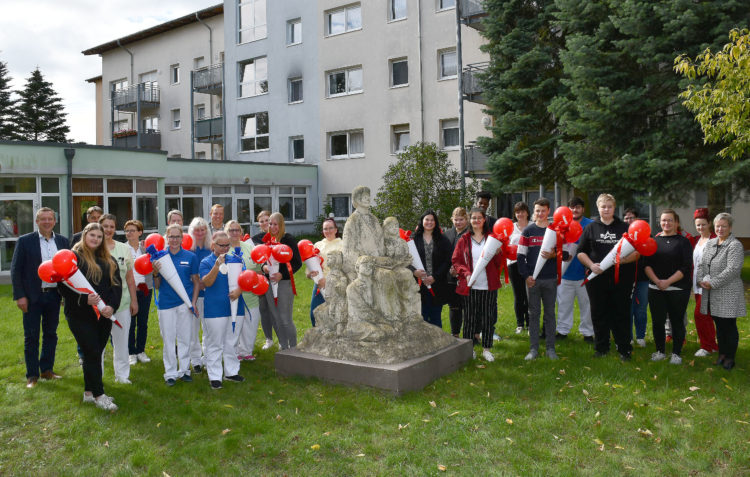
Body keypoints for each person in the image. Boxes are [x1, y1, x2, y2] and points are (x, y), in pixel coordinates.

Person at [57, 223, 121, 411]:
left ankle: (88, 393)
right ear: (84, 235)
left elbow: (116, 286)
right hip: (80, 314)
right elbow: (63, 287)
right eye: (92, 235)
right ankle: (100, 395)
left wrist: (111, 307)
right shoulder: (73, 257)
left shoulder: (108, 259)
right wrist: (85, 299)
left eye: (99, 237)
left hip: (104, 315)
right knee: (92, 351)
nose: (95, 239)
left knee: (94, 353)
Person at [11, 207, 70, 388]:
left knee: (51, 334)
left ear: (54, 221)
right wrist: (20, 296)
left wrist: (65, 295)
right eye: (43, 219)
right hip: (32, 297)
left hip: (54, 296)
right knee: (31, 336)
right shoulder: (25, 241)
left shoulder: (62, 241)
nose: (46, 222)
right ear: (37, 222)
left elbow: (67, 270)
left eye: (50, 219)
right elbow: (16, 270)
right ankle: (32, 375)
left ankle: (47, 370)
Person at [577, 193, 638, 361]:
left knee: (621, 313)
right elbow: (580, 252)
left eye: (609, 206)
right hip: (597, 279)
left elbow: (637, 253)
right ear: (598, 208)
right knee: (599, 313)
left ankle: (624, 349)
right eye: (603, 206)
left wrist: (624, 260)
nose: (606, 209)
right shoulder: (590, 228)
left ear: (614, 207)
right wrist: (591, 265)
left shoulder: (624, 227)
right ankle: (601, 347)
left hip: (621, 279)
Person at [451, 207, 504, 362]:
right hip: (471, 285)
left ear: (484, 220)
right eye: (473, 218)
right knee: (470, 318)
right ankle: (470, 349)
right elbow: (456, 261)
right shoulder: (464, 240)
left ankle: (487, 349)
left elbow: (498, 264)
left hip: (489, 285)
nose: (476, 221)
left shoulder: (492, 239)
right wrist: (466, 274)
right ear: (470, 220)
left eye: (479, 218)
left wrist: (498, 253)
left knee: (488, 318)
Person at [518, 198, 567, 361]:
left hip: (550, 279)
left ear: (549, 211)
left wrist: (554, 254)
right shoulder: (528, 231)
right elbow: (520, 256)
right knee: (533, 314)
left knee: (550, 315)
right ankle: (533, 349)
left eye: (543, 210)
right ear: (534, 212)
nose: (540, 213)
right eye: (537, 210)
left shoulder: (556, 232)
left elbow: (566, 255)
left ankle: (550, 349)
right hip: (533, 280)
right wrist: (526, 276)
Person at [697, 213, 745, 371]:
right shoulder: (711, 243)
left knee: (728, 326)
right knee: (719, 325)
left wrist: (712, 283)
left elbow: (732, 270)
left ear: (730, 228)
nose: (720, 229)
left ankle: (730, 358)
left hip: (728, 292)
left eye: (724, 226)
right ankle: (722, 355)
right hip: (712, 293)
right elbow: (702, 264)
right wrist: (700, 280)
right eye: (718, 226)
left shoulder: (735, 245)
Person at [644, 210, 693, 365]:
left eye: (670, 220)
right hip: (655, 288)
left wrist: (668, 282)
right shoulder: (653, 241)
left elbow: (685, 267)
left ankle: (676, 354)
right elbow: (646, 265)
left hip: (678, 289)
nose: (667, 223)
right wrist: (657, 281)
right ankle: (660, 351)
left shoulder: (683, 242)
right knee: (658, 321)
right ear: (660, 222)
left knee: (677, 321)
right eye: (664, 220)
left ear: (676, 223)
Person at [154, 224, 200, 386]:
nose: (174, 240)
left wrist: (193, 302)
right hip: (166, 304)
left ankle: (185, 370)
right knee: (168, 339)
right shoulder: (160, 258)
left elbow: (196, 282)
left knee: (185, 338)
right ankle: (171, 373)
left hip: (185, 304)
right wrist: (154, 272)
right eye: (171, 236)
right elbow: (157, 285)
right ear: (166, 238)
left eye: (177, 236)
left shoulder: (190, 256)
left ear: (182, 238)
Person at [199, 231, 245, 389]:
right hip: (215, 309)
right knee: (215, 344)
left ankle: (231, 372)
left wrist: (239, 290)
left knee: (232, 342)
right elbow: (207, 283)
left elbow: (245, 279)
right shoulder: (206, 261)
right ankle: (215, 376)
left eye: (227, 245)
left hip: (236, 308)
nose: (225, 248)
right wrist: (217, 265)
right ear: (213, 245)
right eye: (221, 245)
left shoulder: (237, 260)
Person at [100, 214, 138, 383]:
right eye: (105, 226)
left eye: (112, 226)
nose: (108, 230)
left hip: (122, 304)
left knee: (121, 342)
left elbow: (130, 278)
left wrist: (134, 300)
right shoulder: (92, 247)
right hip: (98, 306)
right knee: (97, 344)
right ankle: (96, 377)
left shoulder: (124, 249)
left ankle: (122, 375)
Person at [258, 213, 302, 350]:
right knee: (276, 318)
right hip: (269, 284)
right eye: (270, 224)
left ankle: (293, 347)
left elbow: (297, 263)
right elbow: (263, 260)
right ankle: (284, 347)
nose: (272, 226)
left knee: (285, 318)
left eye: (275, 224)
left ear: (281, 224)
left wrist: (281, 275)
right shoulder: (267, 240)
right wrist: (263, 267)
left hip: (283, 283)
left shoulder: (287, 239)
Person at [556, 197, 594, 341]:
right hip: (565, 274)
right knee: (564, 304)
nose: (575, 210)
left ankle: (588, 333)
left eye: (578, 207)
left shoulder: (590, 225)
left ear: (583, 209)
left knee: (587, 305)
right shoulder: (562, 225)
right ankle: (562, 330)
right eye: (572, 207)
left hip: (584, 274)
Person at [226, 220, 262, 360]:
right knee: (234, 324)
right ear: (227, 232)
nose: (234, 233)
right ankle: (233, 352)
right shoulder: (224, 249)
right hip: (233, 295)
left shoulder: (249, 247)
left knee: (251, 324)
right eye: (231, 230)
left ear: (241, 232)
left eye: (237, 230)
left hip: (250, 294)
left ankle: (246, 351)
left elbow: (258, 269)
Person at [411, 210, 453, 328]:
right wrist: (414, 271)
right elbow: (405, 259)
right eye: (427, 220)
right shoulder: (413, 239)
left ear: (436, 222)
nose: (429, 222)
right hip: (419, 285)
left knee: (435, 316)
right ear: (422, 221)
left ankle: (439, 343)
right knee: (421, 316)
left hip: (437, 284)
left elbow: (448, 260)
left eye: (432, 220)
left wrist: (435, 277)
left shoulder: (442, 239)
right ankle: (424, 344)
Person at [124, 219, 153, 365]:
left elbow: (153, 267)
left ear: (140, 233)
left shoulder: (146, 249)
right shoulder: (122, 248)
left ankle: (141, 350)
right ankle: (131, 352)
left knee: (143, 321)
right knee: (130, 322)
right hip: (129, 290)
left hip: (145, 289)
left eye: (132, 230)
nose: (129, 233)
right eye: (127, 231)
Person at [691, 208, 718, 357]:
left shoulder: (714, 241)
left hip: (708, 284)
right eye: (698, 225)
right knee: (705, 315)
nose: (700, 227)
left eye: (703, 224)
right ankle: (712, 345)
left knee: (699, 314)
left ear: (709, 224)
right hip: (697, 283)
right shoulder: (697, 240)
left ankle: (706, 346)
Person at [307, 218, 343, 327]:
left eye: (330, 228)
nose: (328, 231)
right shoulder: (317, 245)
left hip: (335, 284)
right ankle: (317, 337)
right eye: (325, 229)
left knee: (334, 314)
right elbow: (309, 267)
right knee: (314, 313)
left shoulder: (342, 245)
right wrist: (310, 275)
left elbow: (344, 267)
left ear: (336, 230)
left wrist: (327, 281)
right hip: (318, 284)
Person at [187, 217, 212, 373]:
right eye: (197, 230)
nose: (200, 232)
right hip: (193, 295)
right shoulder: (189, 249)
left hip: (209, 295)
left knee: (208, 329)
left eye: (203, 229)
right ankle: (195, 360)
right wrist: (196, 281)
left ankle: (208, 358)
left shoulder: (211, 248)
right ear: (192, 231)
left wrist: (206, 282)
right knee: (193, 330)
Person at [623, 208, 648, 347]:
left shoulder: (645, 236)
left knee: (641, 308)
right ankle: (629, 336)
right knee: (628, 309)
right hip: (627, 278)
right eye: (626, 218)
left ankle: (640, 336)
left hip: (643, 278)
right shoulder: (623, 237)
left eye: (631, 217)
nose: (628, 220)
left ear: (637, 220)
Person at [444, 207, 470, 337]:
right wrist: (450, 270)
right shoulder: (447, 234)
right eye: (456, 220)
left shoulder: (470, 234)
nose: (458, 222)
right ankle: (455, 334)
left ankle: (470, 334)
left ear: (466, 220)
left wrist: (460, 270)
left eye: (461, 219)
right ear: (452, 220)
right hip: (450, 277)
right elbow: (443, 254)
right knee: (454, 307)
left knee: (468, 307)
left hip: (466, 276)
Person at [252, 210, 275, 350]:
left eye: (267, 220)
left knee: (277, 310)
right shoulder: (255, 239)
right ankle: (269, 339)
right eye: (262, 221)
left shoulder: (279, 236)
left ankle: (284, 339)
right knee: (264, 309)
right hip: (261, 279)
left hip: (277, 278)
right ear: (259, 224)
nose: (265, 223)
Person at [508, 202, 530, 335]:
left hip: (530, 264)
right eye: (517, 212)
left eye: (522, 211)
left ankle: (530, 323)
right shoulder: (510, 227)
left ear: (527, 212)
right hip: (513, 264)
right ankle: (520, 324)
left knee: (529, 295)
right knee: (518, 294)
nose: (520, 214)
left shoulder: (533, 225)